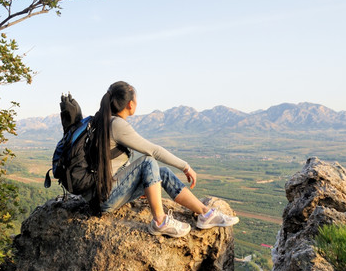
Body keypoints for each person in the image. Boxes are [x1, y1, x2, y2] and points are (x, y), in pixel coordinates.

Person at [87, 81, 239, 238]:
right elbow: (154, 151)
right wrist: (185, 166)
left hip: (99, 194)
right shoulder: (117, 125)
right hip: (106, 198)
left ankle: (205, 214)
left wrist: (139, 184)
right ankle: (160, 221)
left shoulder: (100, 121)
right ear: (130, 104)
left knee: (163, 173)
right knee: (148, 161)